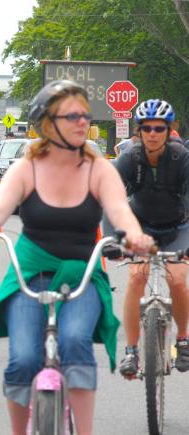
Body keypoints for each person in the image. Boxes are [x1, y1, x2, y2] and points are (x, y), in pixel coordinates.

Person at [0, 80, 153, 435]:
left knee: (76, 341)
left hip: (82, 274)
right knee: (24, 358)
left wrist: (134, 236)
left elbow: (120, 211)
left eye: (85, 116)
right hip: (30, 273)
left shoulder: (98, 168)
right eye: (71, 115)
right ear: (47, 123)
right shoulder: (26, 167)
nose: (82, 122)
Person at [112, 99, 189, 377]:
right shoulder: (129, 158)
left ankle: (182, 340)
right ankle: (131, 350)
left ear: (169, 131)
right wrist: (115, 239)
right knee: (135, 278)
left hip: (178, 227)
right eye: (147, 128)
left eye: (159, 128)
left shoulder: (182, 158)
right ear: (140, 131)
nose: (153, 133)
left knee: (178, 280)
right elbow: (111, 198)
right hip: (140, 227)